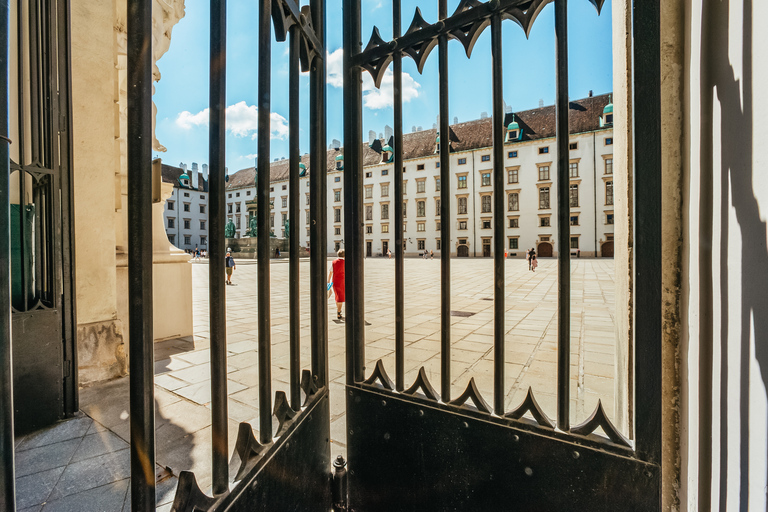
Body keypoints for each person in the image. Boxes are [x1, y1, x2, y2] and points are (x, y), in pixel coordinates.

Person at [328, 249, 345, 320]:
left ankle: (339, 310)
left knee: (337, 296)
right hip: (343, 281)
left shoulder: (334, 262)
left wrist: (328, 281)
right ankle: (338, 312)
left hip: (335, 281)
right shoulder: (345, 262)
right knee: (341, 297)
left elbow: (331, 272)